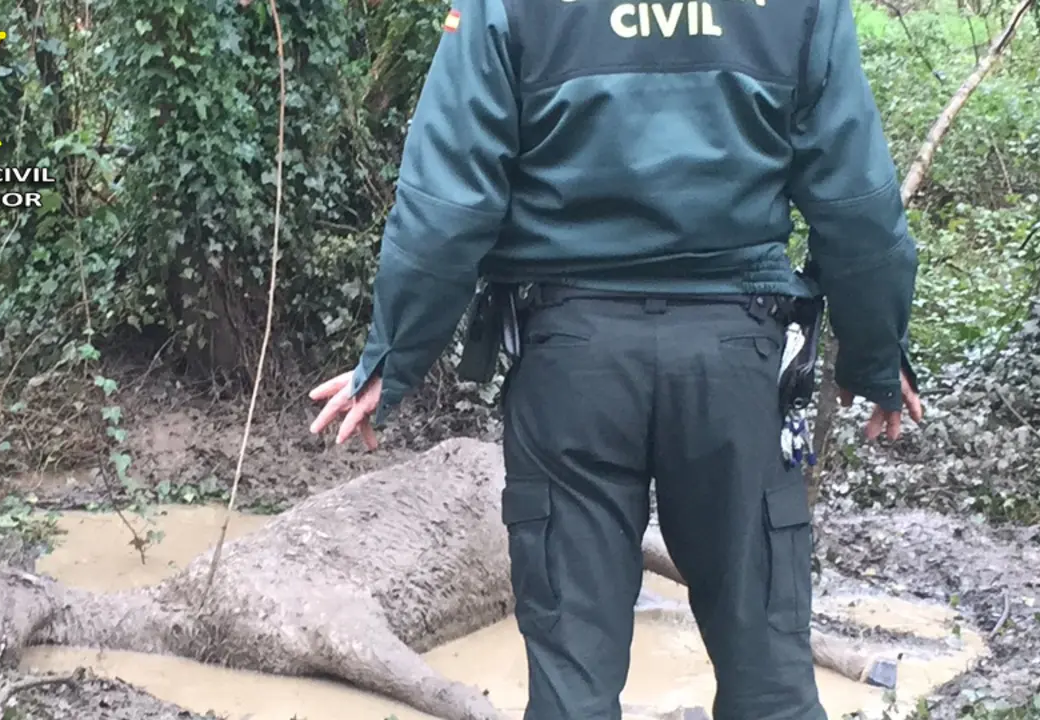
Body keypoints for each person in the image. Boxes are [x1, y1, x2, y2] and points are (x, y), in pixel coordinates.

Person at [308, 0, 925, 716]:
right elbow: (858, 204)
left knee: (574, 681)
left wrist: (394, 353)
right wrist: (876, 356)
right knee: (770, 681)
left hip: (572, 364)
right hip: (735, 360)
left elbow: (448, 202)